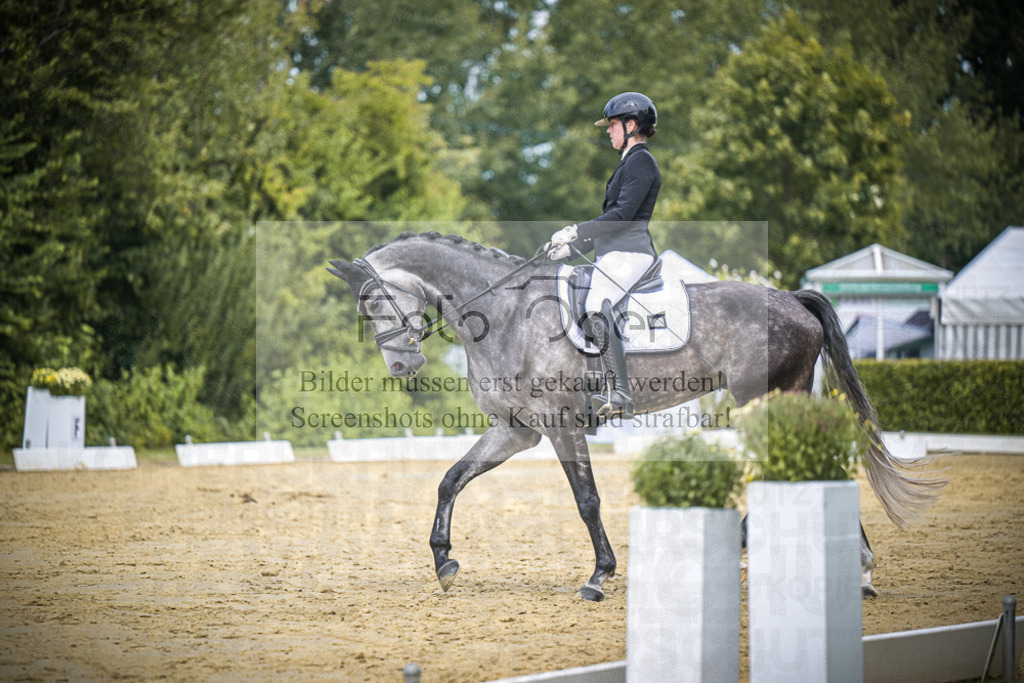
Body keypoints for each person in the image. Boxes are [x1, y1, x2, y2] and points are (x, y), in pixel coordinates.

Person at [546, 91, 661, 420]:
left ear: (631, 124)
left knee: (596, 305)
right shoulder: (629, 163)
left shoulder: (641, 161)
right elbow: (611, 224)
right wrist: (572, 248)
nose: (608, 131)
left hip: (632, 252)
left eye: (612, 125)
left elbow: (623, 216)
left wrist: (577, 230)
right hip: (614, 252)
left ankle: (621, 393)